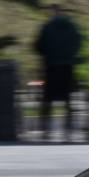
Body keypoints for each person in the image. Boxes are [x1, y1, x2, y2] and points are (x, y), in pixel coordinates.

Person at [34, 12, 82, 140]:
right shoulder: (72, 28)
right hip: (67, 65)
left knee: (48, 99)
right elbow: (77, 44)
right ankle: (68, 130)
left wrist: (47, 55)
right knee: (67, 99)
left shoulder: (48, 28)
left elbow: (39, 45)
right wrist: (69, 55)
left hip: (51, 65)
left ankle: (45, 130)